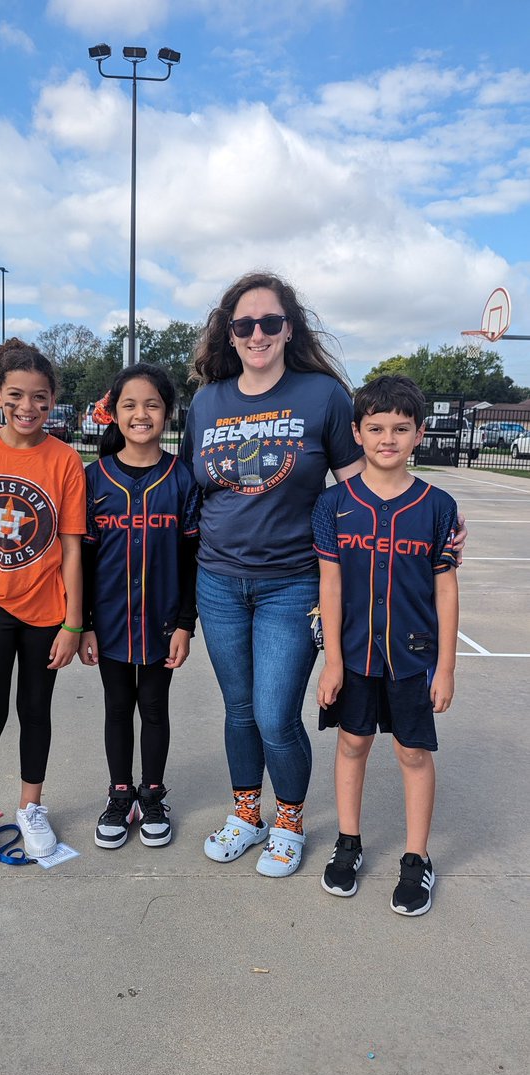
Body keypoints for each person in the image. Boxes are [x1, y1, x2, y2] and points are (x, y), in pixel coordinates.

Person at [180, 270, 367, 877]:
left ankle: (288, 820)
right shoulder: (208, 402)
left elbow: (361, 486)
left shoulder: (322, 397)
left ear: (289, 329)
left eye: (269, 322)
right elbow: (189, 490)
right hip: (218, 580)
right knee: (237, 710)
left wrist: (430, 522)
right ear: (228, 335)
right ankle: (246, 814)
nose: (256, 333)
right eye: (243, 324)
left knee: (274, 714)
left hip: (294, 582)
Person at [313, 375, 459, 915]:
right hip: (354, 654)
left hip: (414, 655)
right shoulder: (334, 505)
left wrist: (446, 667)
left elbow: (446, 587)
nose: (388, 438)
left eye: (401, 428)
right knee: (352, 743)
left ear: (419, 433)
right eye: (375, 428)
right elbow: (330, 584)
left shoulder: (437, 506)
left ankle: (416, 858)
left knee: (413, 752)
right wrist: (332, 659)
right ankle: (347, 844)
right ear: (357, 433)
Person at [0, 338, 85, 869]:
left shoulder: (65, 459)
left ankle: (31, 807)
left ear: (53, 401)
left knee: (35, 710)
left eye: (41, 398)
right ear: (0, 394)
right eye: (17, 396)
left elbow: (71, 548)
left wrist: (73, 623)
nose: (28, 408)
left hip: (47, 610)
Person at [79, 364, 201, 850]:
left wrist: (185, 625)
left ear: (167, 413)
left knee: (153, 706)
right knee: (116, 707)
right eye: (129, 404)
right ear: (114, 413)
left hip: (161, 619)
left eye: (152, 404)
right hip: (108, 620)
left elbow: (193, 558)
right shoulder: (94, 479)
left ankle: (151, 793)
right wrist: (84, 623)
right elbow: (82, 559)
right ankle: (119, 793)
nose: (141, 414)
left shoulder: (181, 479)